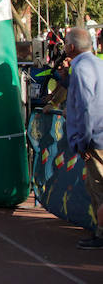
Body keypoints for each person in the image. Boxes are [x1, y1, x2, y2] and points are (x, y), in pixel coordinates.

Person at [63, 28, 103, 249]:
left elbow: (87, 106)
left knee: (98, 189)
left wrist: (83, 140)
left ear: (71, 47)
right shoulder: (98, 64)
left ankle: (101, 234)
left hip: (95, 139)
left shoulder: (82, 69)